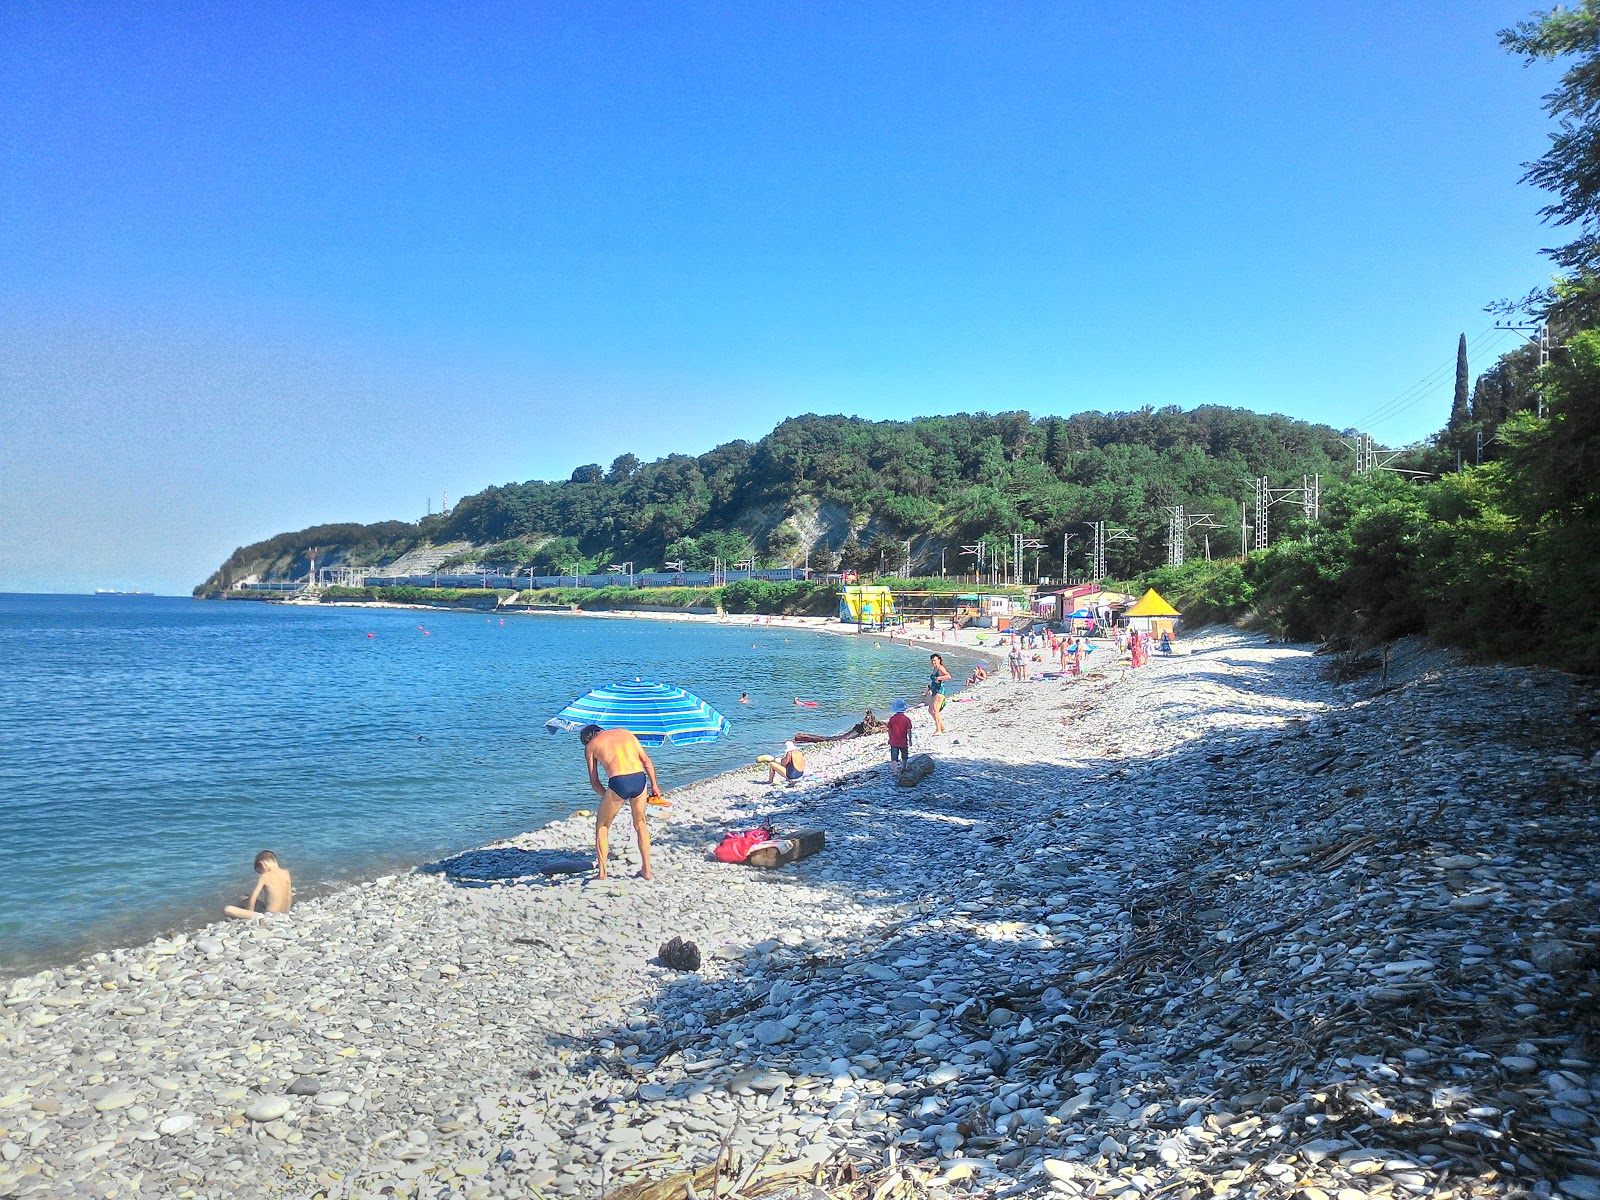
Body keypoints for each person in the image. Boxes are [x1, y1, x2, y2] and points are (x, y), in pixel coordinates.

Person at [580, 725, 661, 881]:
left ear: (587, 738)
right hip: (639, 778)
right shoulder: (626, 733)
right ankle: (647, 870)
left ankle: (602, 874)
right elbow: (646, 761)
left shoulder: (591, 746)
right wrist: (655, 785)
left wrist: (609, 796)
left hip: (619, 782)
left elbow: (594, 781)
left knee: (602, 826)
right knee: (640, 824)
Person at [224, 851, 293, 919]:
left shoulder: (265, 876)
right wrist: (286, 914)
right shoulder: (286, 873)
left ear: (262, 864)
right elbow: (289, 896)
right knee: (245, 898)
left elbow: (253, 898)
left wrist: (249, 913)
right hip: (283, 914)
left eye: (260, 871)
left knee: (228, 909)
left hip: (269, 916)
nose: (261, 873)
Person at [926, 653, 951, 732]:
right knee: (930, 710)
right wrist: (928, 689)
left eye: (935, 660)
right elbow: (934, 681)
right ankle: (941, 726)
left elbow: (948, 676)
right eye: (932, 661)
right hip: (934, 691)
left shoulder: (940, 668)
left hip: (940, 691)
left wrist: (939, 678)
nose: (933, 662)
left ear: (939, 660)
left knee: (935, 710)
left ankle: (938, 730)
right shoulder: (935, 669)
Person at [886, 700, 913, 775]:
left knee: (894, 757)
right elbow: (909, 731)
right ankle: (904, 767)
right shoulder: (906, 719)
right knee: (904, 755)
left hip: (894, 741)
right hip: (903, 741)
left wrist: (890, 737)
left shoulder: (892, 719)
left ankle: (895, 771)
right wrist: (910, 740)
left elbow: (889, 729)